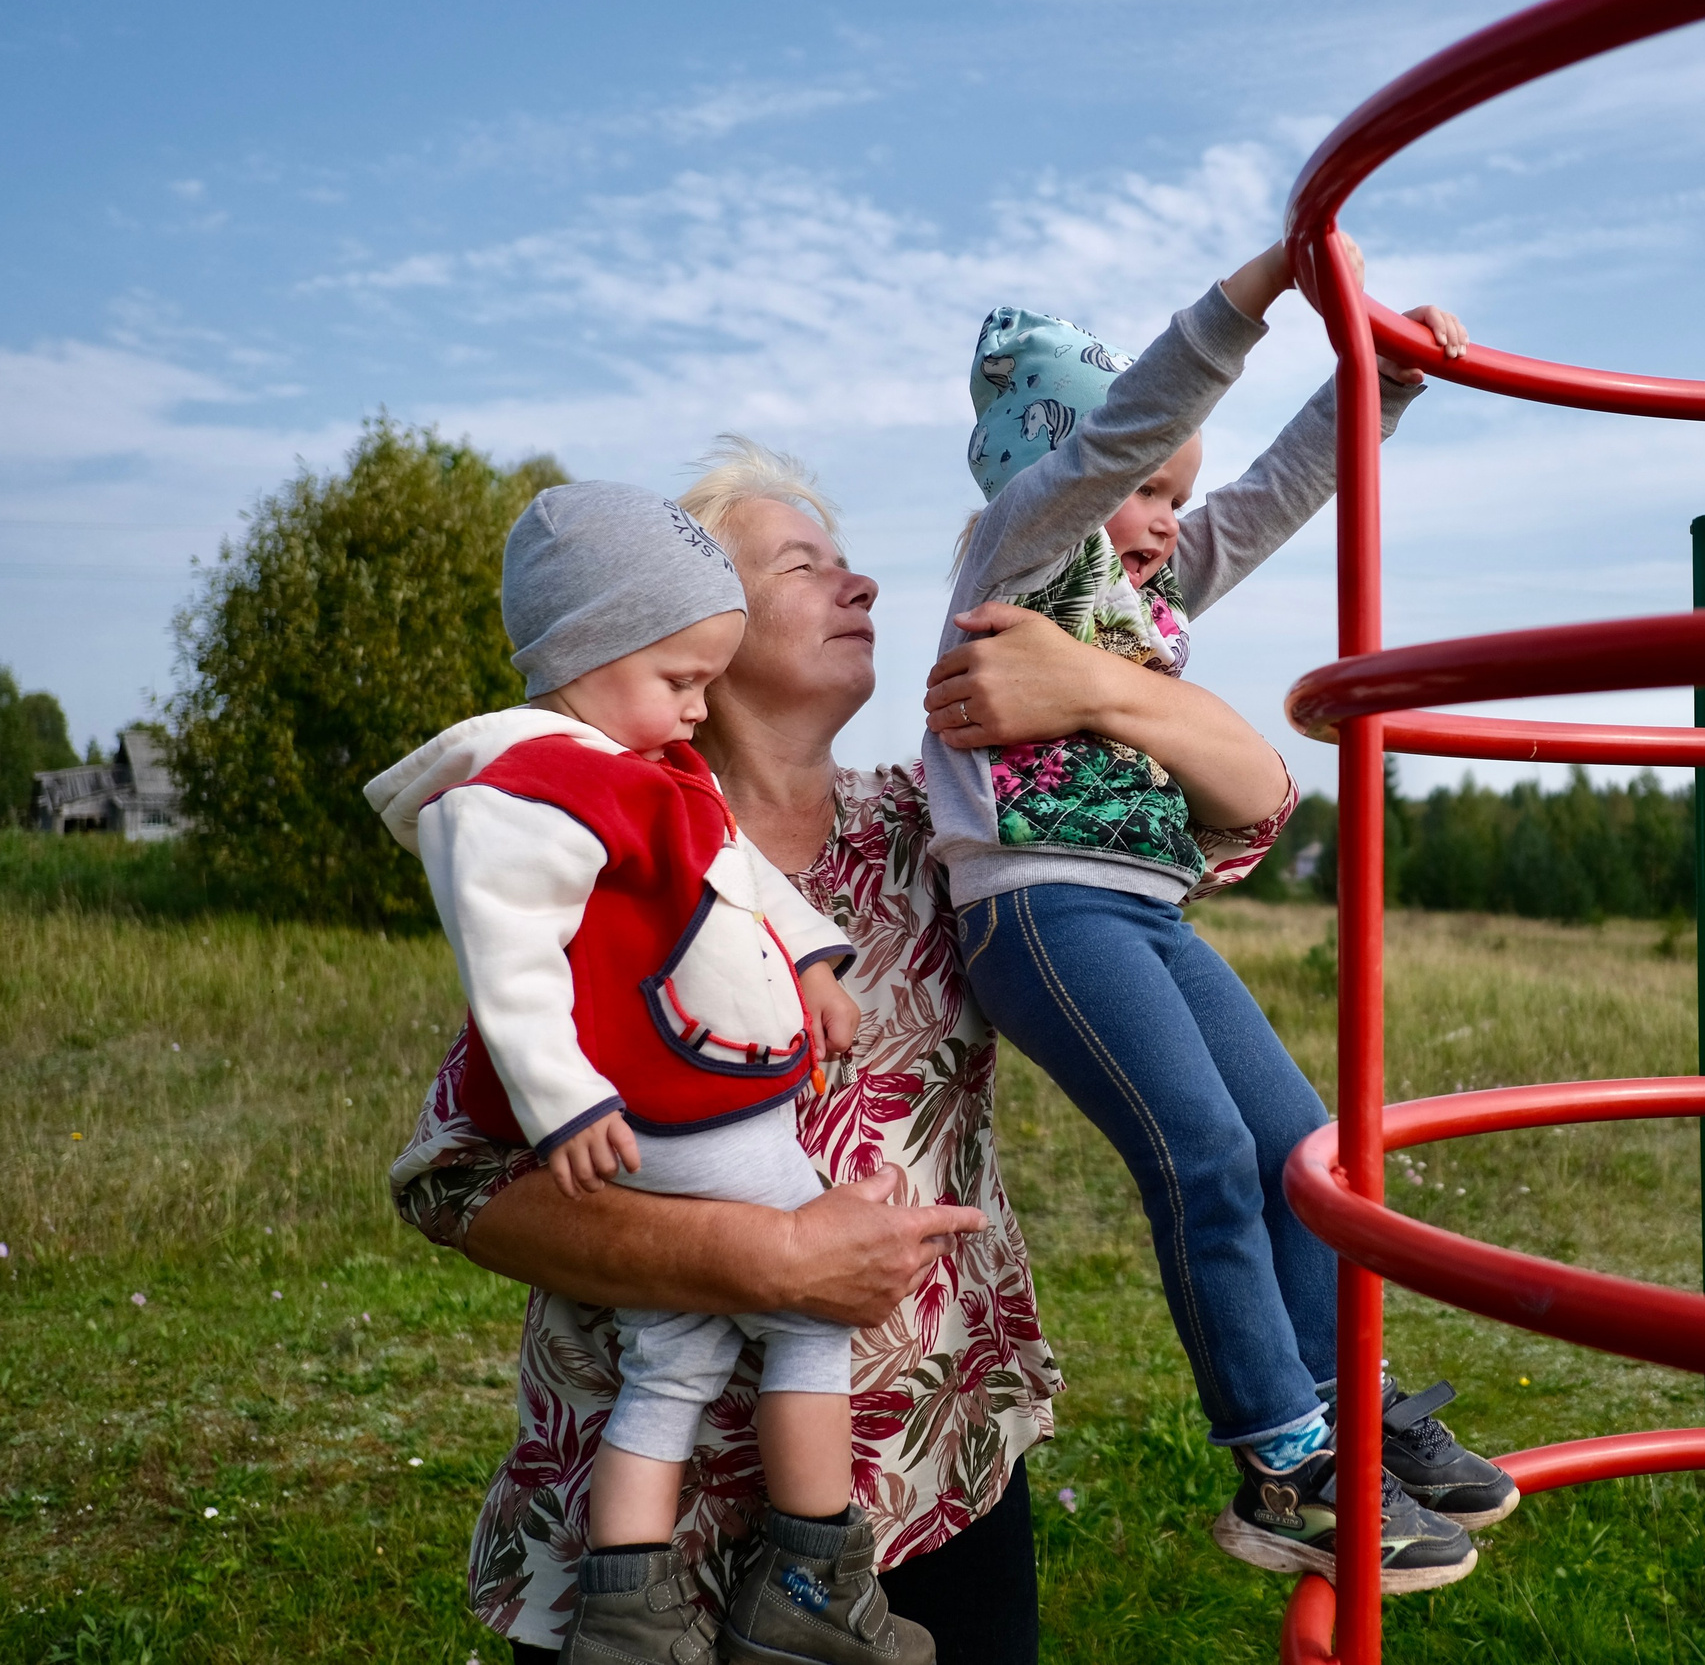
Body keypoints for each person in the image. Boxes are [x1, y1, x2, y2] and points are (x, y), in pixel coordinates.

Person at [388, 438, 1301, 1664]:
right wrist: (766, 1258)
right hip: (647, 1536)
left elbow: (1246, 810)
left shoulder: (941, 836)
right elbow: (457, 1181)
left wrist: (1096, 687)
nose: (862, 587)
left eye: (851, 564)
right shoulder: (597, 849)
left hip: (929, 1475)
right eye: (803, 566)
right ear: (687, 622)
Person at [918, 237, 1515, 1595]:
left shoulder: (1147, 593)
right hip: (1039, 906)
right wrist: (1258, 293)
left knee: (1302, 1144)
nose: (1162, 516)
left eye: (1173, 498)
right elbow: (1127, 428)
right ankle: (1281, 1462)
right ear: (1061, 472)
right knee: (1198, 1148)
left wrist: (1386, 386)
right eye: (1142, 489)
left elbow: (1280, 493)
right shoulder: (1021, 547)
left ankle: (1347, 1409)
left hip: (1149, 911)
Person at [369, 479, 930, 1665]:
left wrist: (817, 960)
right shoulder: (546, 782)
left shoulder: (678, 785)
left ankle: (628, 1608)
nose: (691, 707)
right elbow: (505, 954)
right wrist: (566, 1101)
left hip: (712, 1126)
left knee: (670, 1359)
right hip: (681, 1115)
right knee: (811, 1309)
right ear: (598, 649)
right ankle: (807, 1581)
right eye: (681, 679)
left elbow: (749, 881)